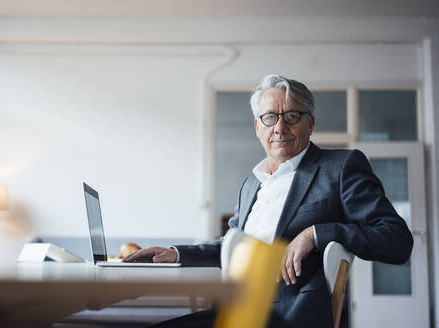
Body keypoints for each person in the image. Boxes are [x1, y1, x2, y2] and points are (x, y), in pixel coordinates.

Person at [125, 74, 413, 328]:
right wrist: (174, 254)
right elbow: (229, 248)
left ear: (310, 122)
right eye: (270, 117)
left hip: (288, 315)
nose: (280, 127)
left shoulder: (340, 167)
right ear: (257, 127)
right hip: (236, 309)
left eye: (291, 116)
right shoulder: (252, 183)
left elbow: (396, 240)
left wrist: (315, 234)